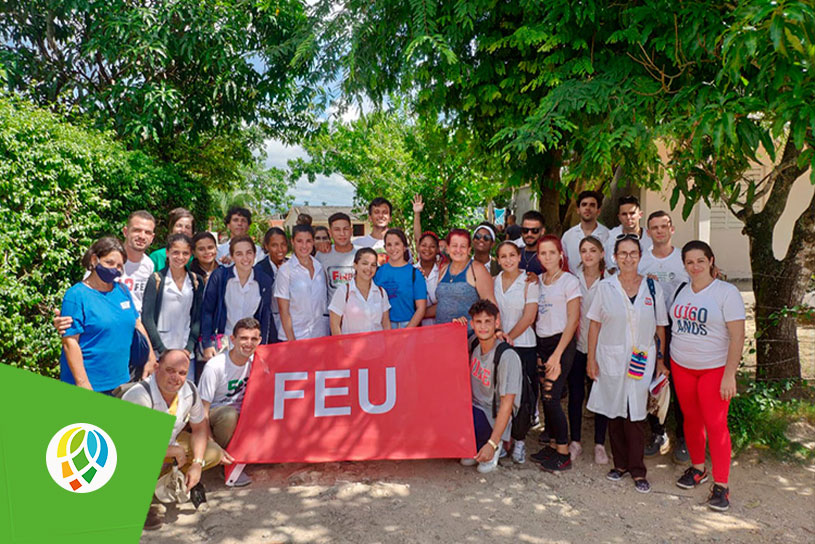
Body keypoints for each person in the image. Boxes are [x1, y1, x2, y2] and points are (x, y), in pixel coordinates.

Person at [586, 235, 668, 494]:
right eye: (623, 253)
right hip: (610, 357)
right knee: (613, 410)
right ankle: (619, 465)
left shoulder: (652, 288)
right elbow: (594, 325)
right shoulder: (605, 287)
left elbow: (660, 326)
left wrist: (661, 360)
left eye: (633, 253)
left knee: (636, 413)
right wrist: (591, 359)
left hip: (642, 359)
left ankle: (637, 469)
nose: (628, 258)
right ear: (615, 257)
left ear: (640, 257)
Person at [671, 241, 745, 512]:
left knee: (716, 424)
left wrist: (729, 375)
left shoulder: (726, 292)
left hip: (714, 368)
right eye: (689, 262)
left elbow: (737, 336)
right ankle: (698, 468)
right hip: (682, 365)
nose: (695, 266)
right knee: (691, 420)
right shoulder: (682, 290)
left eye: (700, 260)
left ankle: (722, 486)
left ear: (711, 260)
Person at [122, 349, 231, 530]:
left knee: (212, 453)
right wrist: (171, 451)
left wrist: (197, 464)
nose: (176, 377)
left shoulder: (189, 390)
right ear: (157, 368)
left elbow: (199, 428)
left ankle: (166, 482)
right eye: (170, 370)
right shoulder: (139, 396)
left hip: (167, 441)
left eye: (182, 373)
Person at [60, 236, 157, 394]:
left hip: (122, 381)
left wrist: (150, 356)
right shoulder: (76, 295)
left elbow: (137, 323)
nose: (115, 269)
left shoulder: (122, 291)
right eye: (109, 263)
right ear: (94, 259)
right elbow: (70, 342)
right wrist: (83, 383)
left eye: (119, 266)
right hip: (90, 384)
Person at [639, 210, 690, 461]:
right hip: (650, 329)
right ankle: (657, 433)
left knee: (680, 385)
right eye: (654, 227)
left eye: (664, 226)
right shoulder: (641, 261)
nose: (659, 231)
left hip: (681, 328)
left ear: (672, 229)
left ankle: (684, 437)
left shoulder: (684, 259)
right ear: (647, 233)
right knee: (652, 382)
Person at [531, 235, 581, 472]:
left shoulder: (569, 282)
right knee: (545, 398)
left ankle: (563, 451)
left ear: (561, 254)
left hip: (561, 344)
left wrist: (557, 355)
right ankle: (551, 445)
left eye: (552, 252)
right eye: (543, 253)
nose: (547, 257)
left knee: (552, 398)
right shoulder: (538, 281)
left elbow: (572, 321)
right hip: (542, 343)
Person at [458, 299, 522, 474]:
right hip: (474, 409)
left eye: (488, 322)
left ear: (497, 322)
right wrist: (455, 328)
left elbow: (507, 404)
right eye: (478, 322)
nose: (483, 327)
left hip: (491, 415)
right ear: (472, 323)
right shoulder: (475, 342)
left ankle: (495, 444)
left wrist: (492, 442)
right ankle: (476, 444)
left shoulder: (507, 356)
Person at [199, 317, 262, 488]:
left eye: (253, 339)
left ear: (260, 341)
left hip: (245, 414)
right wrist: (210, 443)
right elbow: (201, 410)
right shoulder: (215, 366)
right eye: (243, 338)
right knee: (229, 415)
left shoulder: (258, 361)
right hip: (218, 415)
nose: (248, 343)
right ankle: (227, 464)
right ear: (232, 339)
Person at [493, 241, 539, 463]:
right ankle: (502, 439)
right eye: (503, 256)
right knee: (502, 395)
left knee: (523, 397)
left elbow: (529, 316)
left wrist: (509, 336)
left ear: (519, 257)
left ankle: (520, 441)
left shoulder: (530, 282)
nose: (508, 260)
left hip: (523, 346)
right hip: (500, 346)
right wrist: (501, 338)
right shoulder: (494, 282)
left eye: (512, 255)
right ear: (498, 260)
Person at [200, 236, 274, 361]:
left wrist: (262, 348)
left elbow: (265, 316)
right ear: (232, 257)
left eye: (249, 253)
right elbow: (207, 311)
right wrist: (207, 344)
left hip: (250, 346)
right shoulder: (220, 277)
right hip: (223, 344)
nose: (245, 258)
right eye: (239, 254)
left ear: (255, 255)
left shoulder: (264, 281)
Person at [569, 236, 609, 464]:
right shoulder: (573, 280)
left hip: (602, 348)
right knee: (576, 395)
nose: (588, 255)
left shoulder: (611, 280)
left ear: (602, 253)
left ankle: (600, 444)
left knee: (600, 395)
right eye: (584, 250)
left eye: (593, 250)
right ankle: (575, 441)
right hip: (577, 345)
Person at [141, 234, 205, 376]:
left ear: (191, 255)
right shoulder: (156, 279)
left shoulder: (195, 281)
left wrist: (189, 348)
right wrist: (162, 350)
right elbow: (147, 317)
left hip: (186, 353)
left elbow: (197, 318)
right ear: (167, 253)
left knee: (184, 393)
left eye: (185, 253)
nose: (180, 257)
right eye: (175, 252)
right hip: (160, 353)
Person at [274, 225, 329, 340]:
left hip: (319, 334)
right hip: (295, 335)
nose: (304, 246)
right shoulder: (285, 270)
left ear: (313, 242)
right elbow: (283, 310)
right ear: (292, 242)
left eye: (308, 241)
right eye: (299, 241)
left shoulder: (319, 267)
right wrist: (291, 341)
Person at [436, 229, 495, 326]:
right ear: (447, 248)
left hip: (469, 335)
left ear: (468, 250)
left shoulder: (477, 269)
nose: (458, 250)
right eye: (454, 246)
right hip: (442, 334)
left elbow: (491, 306)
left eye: (463, 246)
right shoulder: (443, 269)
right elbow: (443, 303)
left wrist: (496, 330)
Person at [329, 247, 391, 334]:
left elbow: (386, 323)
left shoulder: (381, 292)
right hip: (351, 346)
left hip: (377, 345)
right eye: (365, 263)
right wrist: (340, 346)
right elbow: (334, 325)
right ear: (355, 265)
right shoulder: (343, 291)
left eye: (373, 265)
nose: (369, 268)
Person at [373, 229, 427, 328]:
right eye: (389, 245)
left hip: (408, 326)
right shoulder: (378, 272)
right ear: (385, 248)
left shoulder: (415, 274)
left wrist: (407, 332)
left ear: (404, 247)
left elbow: (421, 308)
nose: (393, 248)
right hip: (382, 326)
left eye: (397, 244)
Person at [561, 191, 610, 270]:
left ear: (598, 211)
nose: (587, 208)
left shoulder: (608, 235)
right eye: (584, 204)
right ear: (578, 210)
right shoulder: (568, 236)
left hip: (600, 281)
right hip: (573, 281)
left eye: (592, 205)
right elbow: (563, 264)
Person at [120, 210, 157, 313]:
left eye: (147, 232)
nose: (142, 236)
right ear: (125, 232)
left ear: (152, 238)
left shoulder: (148, 265)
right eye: (137, 230)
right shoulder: (107, 260)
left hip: (138, 325)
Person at [316, 213, 357, 304]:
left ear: (351, 230)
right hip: (333, 314)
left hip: (359, 313)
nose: (342, 234)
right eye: (337, 230)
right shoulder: (321, 255)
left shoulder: (362, 253)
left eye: (345, 229)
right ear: (330, 233)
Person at [605, 196, 653, 272]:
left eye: (632, 213)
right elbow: (611, 268)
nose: (628, 217)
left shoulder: (650, 237)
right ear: (619, 217)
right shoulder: (611, 237)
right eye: (624, 214)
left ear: (640, 214)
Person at [255, 227, 288, 334]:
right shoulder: (259, 270)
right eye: (274, 245)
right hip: (269, 327)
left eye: (283, 244)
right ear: (266, 246)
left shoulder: (293, 267)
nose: (280, 249)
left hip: (292, 325)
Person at [354, 197, 393, 264]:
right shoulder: (357, 244)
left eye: (385, 212)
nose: (381, 216)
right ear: (370, 217)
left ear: (390, 218)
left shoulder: (399, 244)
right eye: (376, 212)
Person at [414, 231, 441, 326]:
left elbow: (446, 303)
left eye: (432, 246)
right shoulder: (411, 271)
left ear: (437, 249)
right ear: (418, 247)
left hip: (440, 327)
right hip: (416, 329)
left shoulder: (442, 272)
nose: (427, 249)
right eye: (424, 245)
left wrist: (419, 313)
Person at [515, 210, 545, 275]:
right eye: (525, 230)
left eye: (534, 230)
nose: (529, 234)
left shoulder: (548, 257)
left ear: (542, 231)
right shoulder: (514, 254)